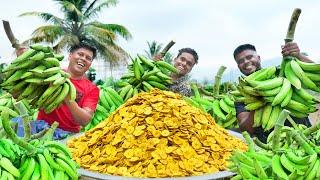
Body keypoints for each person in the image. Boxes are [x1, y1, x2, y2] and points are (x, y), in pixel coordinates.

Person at [15, 43, 100, 139]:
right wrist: (24, 60)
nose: (83, 58)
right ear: (70, 55)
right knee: (15, 124)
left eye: (88, 58)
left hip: (67, 134)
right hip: (41, 127)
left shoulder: (92, 89)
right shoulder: (50, 74)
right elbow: (16, 93)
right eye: (80, 54)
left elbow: (84, 120)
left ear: (90, 64)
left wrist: (67, 97)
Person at [233, 42, 312, 143]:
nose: (246, 62)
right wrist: (258, 100)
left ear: (259, 58)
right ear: (238, 66)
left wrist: (298, 55)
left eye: (249, 57)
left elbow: (315, 73)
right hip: (269, 144)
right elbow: (245, 127)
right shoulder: (242, 92)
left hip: (303, 135)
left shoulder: (281, 73)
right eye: (240, 61)